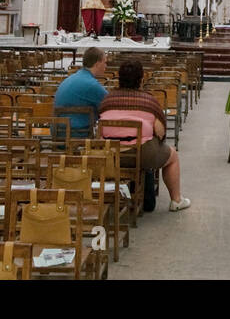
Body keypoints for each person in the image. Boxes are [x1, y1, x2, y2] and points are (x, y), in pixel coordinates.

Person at [98, 59, 190, 212]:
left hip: (109, 154)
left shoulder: (107, 100)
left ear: (119, 79)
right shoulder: (148, 101)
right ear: (141, 79)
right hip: (141, 153)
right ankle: (176, 200)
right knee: (172, 156)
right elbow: (160, 132)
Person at [53, 47, 109, 136]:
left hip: (58, 132)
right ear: (97, 64)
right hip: (76, 134)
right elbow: (110, 105)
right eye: (105, 62)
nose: (106, 66)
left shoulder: (72, 78)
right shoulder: (91, 84)